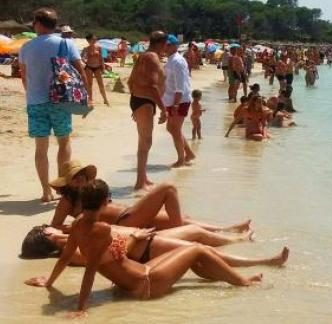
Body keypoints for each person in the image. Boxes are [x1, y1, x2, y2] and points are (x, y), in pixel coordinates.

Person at [25, 179, 263, 318]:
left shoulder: (77, 225)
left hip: (143, 275)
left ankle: (237, 275)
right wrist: (81, 307)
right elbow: (91, 269)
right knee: (197, 250)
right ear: (104, 202)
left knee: (194, 253)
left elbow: (65, 258)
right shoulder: (101, 230)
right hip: (147, 283)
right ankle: (244, 282)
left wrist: (49, 283)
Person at [49, 161, 252, 233]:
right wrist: (76, 227)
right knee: (168, 188)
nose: (80, 179)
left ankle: (226, 230)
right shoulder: (68, 201)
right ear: (68, 183)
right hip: (125, 221)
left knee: (183, 218)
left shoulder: (91, 190)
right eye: (75, 177)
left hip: (129, 214)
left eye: (81, 175)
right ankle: (182, 235)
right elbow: (55, 226)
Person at [19, 8, 87, 202]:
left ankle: (45, 192)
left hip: (35, 102)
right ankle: (62, 189)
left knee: (41, 148)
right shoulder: (66, 43)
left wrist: (33, 94)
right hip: (60, 101)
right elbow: (80, 72)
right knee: (64, 142)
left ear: (38, 24)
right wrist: (86, 98)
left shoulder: (26, 47)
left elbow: (24, 77)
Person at [22, 223, 288, 268]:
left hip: (147, 237)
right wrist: (136, 237)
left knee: (196, 232)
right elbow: (114, 256)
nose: (50, 226)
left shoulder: (74, 237)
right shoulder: (72, 254)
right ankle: (265, 262)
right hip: (144, 248)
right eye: (47, 229)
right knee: (203, 251)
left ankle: (237, 239)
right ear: (47, 237)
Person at [127, 31, 168, 190]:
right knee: (146, 141)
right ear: (162, 44)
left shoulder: (143, 56)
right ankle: (140, 182)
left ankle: (142, 178)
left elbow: (131, 81)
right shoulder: (152, 57)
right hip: (145, 101)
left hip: (141, 101)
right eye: (165, 45)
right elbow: (152, 86)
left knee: (144, 141)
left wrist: (135, 103)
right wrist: (163, 109)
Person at [163, 35, 196, 167]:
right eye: (164, 44)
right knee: (172, 128)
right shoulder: (171, 60)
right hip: (173, 99)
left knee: (174, 129)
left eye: (167, 45)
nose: (164, 47)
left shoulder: (177, 61)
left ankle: (181, 160)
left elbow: (180, 86)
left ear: (174, 46)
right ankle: (189, 154)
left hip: (179, 100)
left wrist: (176, 104)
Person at [81, 33, 110, 106]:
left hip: (97, 67)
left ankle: (105, 99)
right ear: (89, 40)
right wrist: (85, 61)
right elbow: (81, 57)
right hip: (89, 67)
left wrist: (103, 68)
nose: (95, 40)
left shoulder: (99, 48)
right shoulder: (86, 48)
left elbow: (101, 59)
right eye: (93, 39)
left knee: (101, 84)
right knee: (89, 84)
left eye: (95, 39)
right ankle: (90, 99)